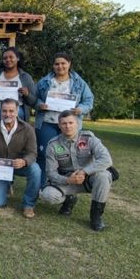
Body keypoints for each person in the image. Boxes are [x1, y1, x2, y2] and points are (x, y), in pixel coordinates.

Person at [40, 110, 114, 231]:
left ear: (77, 123)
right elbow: (51, 173)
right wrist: (68, 179)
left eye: (70, 122)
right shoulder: (53, 145)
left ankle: (96, 217)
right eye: (64, 123)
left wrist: (84, 171)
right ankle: (69, 199)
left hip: (89, 178)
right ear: (59, 125)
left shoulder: (89, 138)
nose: (67, 126)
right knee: (48, 195)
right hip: (67, 181)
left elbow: (106, 159)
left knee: (104, 175)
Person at [35, 52, 94, 186]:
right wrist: (39, 105)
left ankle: (64, 186)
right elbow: (35, 98)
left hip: (70, 126)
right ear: (53, 66)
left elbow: (89, 100)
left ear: (69, 64)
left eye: (63, 63)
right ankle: (42, 186)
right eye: (57, 64)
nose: (60, 66)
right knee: (44, 155)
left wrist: (80, 109)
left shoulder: (79, 83)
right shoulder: (44, 81)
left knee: (67, 157)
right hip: (48, 122)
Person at [0, 98, 40, 218]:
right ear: (0, 111)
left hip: (19, 165)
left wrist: (24, 161)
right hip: (0, 167)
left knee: (35, 170)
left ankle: (29, 204)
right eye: (4, 111)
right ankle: (7, 184)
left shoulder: (28, 129)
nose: (8, 114)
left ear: (17, 112)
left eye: (11, 111)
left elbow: (32, 153)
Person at [0, 47, 37, 122]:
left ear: (18, 58)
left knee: (16, 134)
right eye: (5, 58)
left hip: (17, 113)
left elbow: (33, 101)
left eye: (11, 57)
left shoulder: (25, 77)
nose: (8, 60)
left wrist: (27, 94)